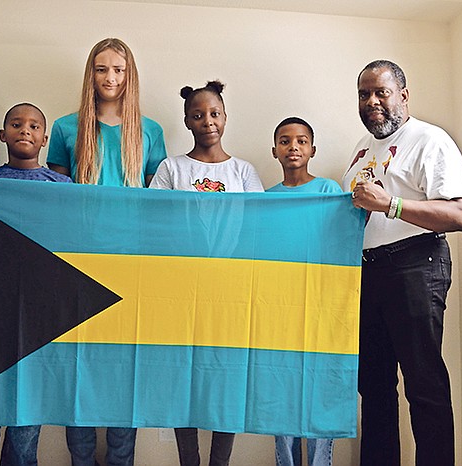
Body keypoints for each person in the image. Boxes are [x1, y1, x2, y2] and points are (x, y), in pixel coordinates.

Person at [342, 60, 462, 466]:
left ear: (403, 94)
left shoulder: (430, 139)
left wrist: (392, 204)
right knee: (374, 387)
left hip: (417, 263)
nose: (372, 101)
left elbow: (461, 215)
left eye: (381, 92)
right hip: (368, 272)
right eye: (365, 94)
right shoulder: (361, 149)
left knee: (423, 383)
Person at [46, 38, 167, 466]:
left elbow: (160, 204)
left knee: (125, 366)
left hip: (132, 260)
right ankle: (81, 458)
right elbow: (53, 198)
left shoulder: (150, 131)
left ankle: (121, 459)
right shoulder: (65, 127)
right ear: (90, 74)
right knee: (77, 363)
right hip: (79, 259)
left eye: (118, 69)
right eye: (101, 69)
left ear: (129, 74)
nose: (110, 77)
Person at [150, 80, 263, 466]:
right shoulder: (171, 168)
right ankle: (189, 461)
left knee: (225, 378)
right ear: (186, 120)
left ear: (225, 117)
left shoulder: (244, 171)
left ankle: (220, 462)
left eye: (214, 113)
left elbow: (258, 228)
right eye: (198, 115)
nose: (207, 121)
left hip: (229, 290)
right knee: (184, 378)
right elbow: (157, 225)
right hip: (182, 290)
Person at [0, 103, 70, 466]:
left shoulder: (62, 187)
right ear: (3, 134)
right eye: (17, 124)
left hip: (40, 315)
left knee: (28, 410)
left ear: (45, 139)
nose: (26, 130)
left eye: (35, 125)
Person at [267, 117, 339, 466]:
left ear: (312, 149)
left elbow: (340, 239)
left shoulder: (328, 191)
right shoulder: (265, 199)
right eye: (285, 141)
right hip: (280, 308)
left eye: (301, 141)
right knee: (282, 392)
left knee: (319, 391)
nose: (293, 147)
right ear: (274, 150)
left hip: (321, 308)